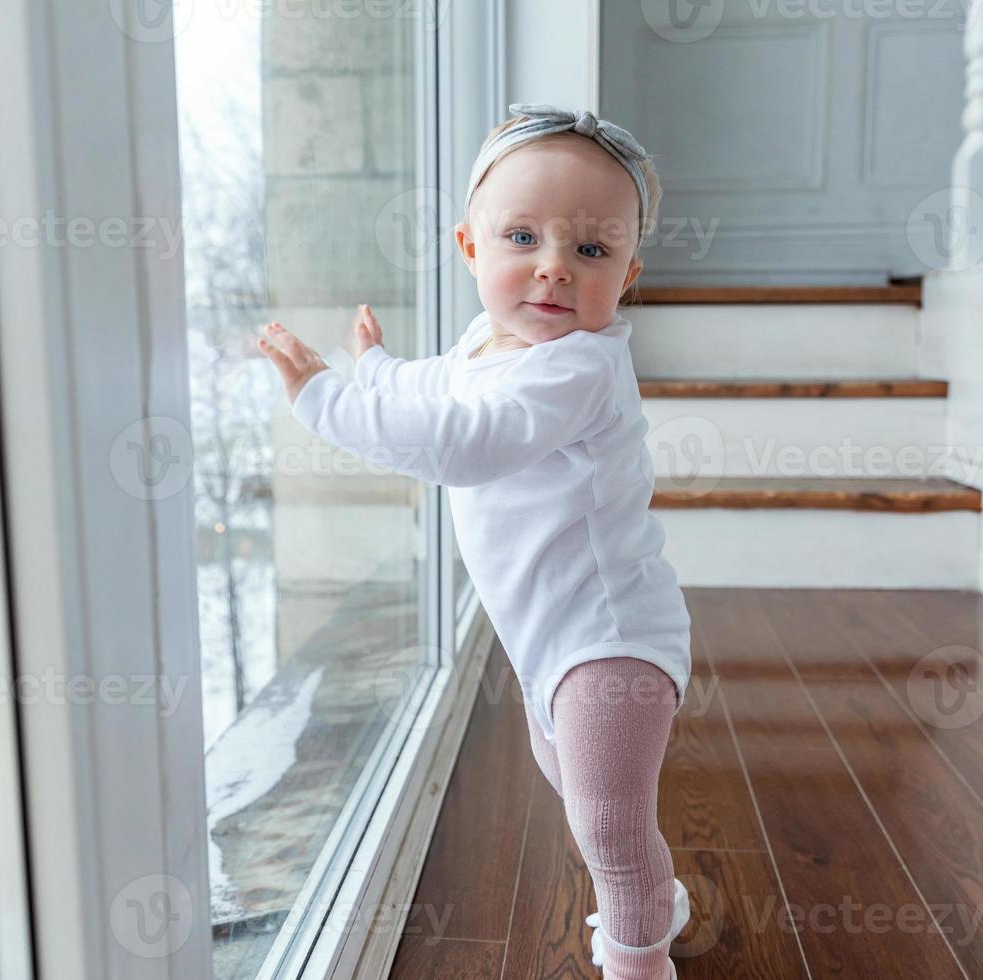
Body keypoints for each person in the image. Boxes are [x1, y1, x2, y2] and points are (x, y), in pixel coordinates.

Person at [256, 103, 692, 979]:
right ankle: (652, 891)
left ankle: (640, 951)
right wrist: (375, 372)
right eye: (523, 238)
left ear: (628, 275)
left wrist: (325, 401)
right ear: (469, 249)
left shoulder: (578, 365)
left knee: (606, 825)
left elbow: (464, 443)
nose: (554, 271)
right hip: (545, 642)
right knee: (591, 801)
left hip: (612, 641)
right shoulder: (488, 341)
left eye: (592, 252)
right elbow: (436, 392)